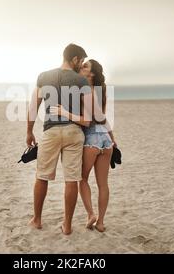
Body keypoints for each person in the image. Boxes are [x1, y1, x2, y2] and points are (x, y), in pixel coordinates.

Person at [26, 43, 92, 235]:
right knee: (71, 179)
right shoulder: (81, 81)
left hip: (51, 132)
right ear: (75, 59)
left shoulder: (43, 77)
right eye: (81, 61)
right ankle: (68, 226)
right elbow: (87, 118)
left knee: (42, 176)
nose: (82, 65)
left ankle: (37, 219)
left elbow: (33, 107)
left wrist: (29, 131)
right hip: (74, 132)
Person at [50, 59, 116, 232]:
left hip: (91, 138)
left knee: (83, 179)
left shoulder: (83, 90)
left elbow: (87, 121)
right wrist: (113, 139)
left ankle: (90, 214)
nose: (82, 67)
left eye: (86, 66)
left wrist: (62, 111)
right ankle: (101, 223)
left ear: (92, 74)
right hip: (105, 140)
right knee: (103, 184)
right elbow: (102, 117)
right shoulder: (102, 91)